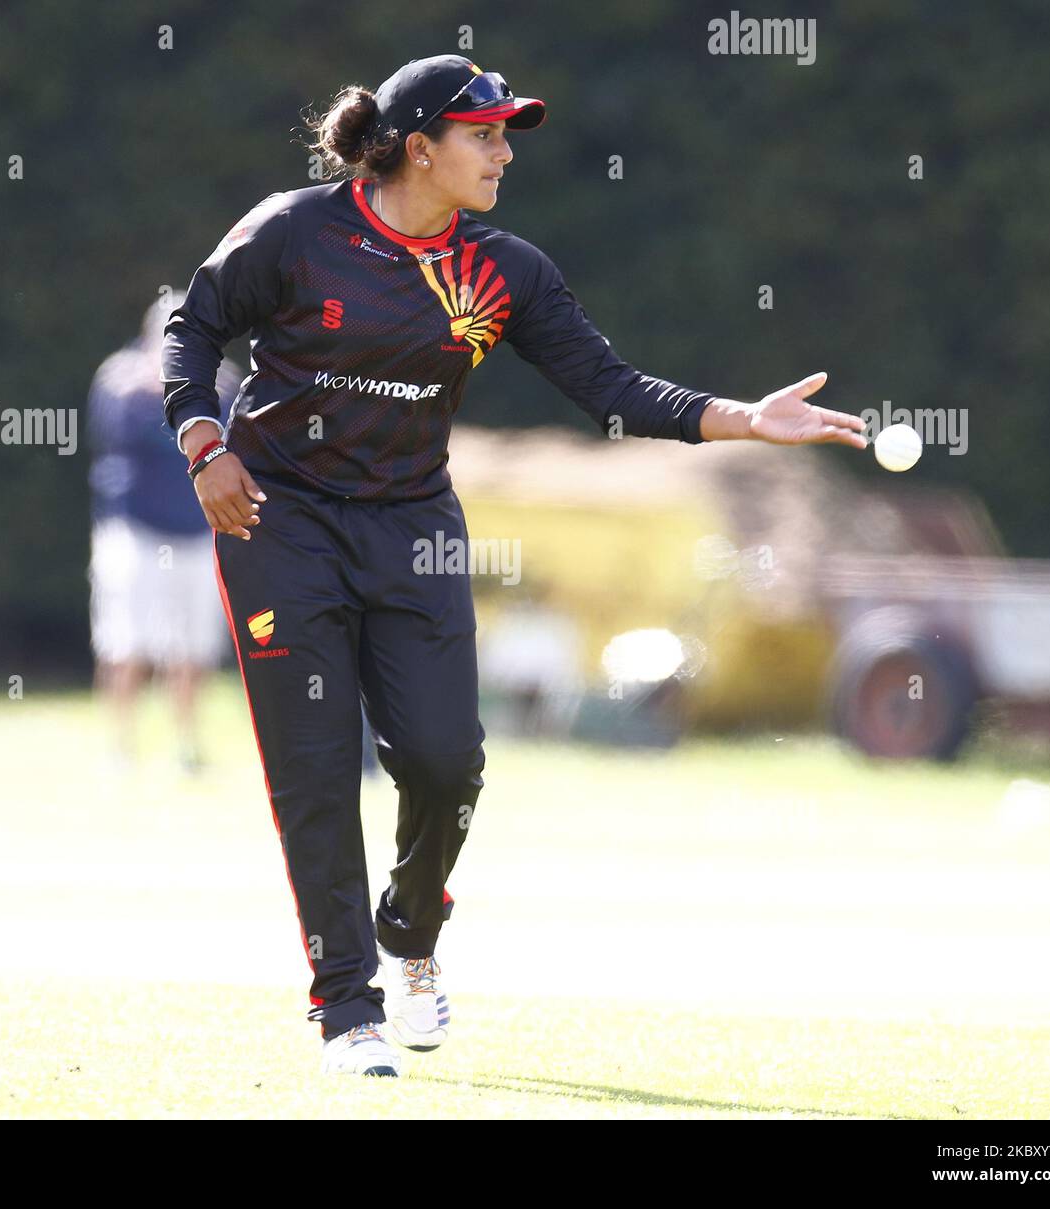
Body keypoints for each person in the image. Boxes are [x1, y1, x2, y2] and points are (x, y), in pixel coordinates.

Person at [160, 54, 867, 1077]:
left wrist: (745, 420)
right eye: (485, 133)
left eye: (506, 134)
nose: (502, 152)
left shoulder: (506, 269)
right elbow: (192, 333)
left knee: (446, 761)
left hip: (412, 525)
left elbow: (612, 391)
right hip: (277, 517)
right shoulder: (293, 230)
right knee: (314, 770)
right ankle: (347, 1010)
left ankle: (411, 931)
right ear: (418, 148)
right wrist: (202, 446)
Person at [87, 292, 242, 774]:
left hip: (200, 532)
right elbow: (120, 433)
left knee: (192, 648)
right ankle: (119, 745)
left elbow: (233, 434)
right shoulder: (121, 377)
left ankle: (187, 746)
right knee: (125, 644)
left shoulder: (225, 380)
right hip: (134, 530)